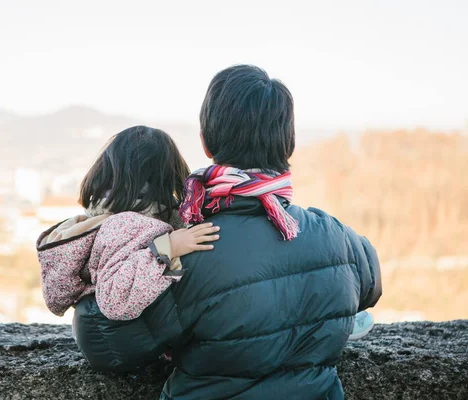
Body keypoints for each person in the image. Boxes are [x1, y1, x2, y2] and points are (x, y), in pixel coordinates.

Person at [72, 65, 382, 399]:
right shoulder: (341, 239)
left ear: (205, 142)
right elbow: (369, 287)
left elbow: (104, 341)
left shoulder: (189, 252)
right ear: (287, 145)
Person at [36, 125, 220, 367]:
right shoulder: (126, 225)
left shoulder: (107, 217)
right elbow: (117, 302)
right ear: (167, 174)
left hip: (110, 336)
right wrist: (168, 247)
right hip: (121, 339)